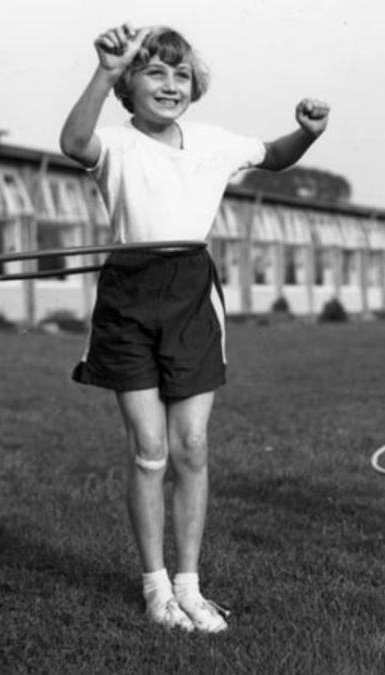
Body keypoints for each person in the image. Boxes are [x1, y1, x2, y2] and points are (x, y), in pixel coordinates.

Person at [59, 23, 329, 631]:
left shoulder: (212, 142)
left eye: (181, 74)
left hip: (190, 294)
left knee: (193, 447)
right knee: (149, 450)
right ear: (129, 84)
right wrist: (103, 69)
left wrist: (307, 133)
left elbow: (276, 155)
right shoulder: (115, 143)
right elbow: (74, 143)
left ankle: (189, 584)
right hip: (129, 293)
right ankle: (156, 589)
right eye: (155, 72)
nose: (171, 84)